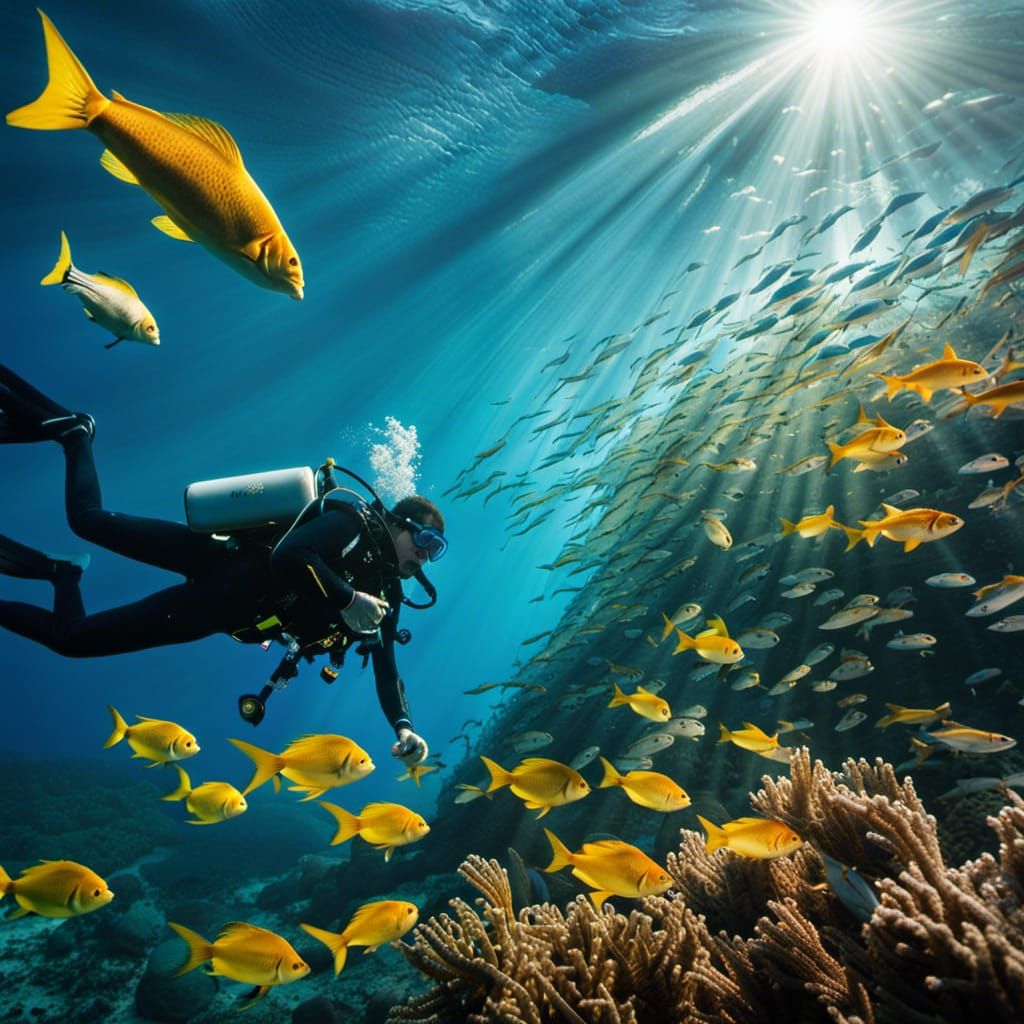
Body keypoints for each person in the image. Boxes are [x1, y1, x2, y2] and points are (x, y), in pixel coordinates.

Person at [0, 363, 445, 766]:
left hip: (220, 611)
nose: (424, 554)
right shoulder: (353, 523)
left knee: (74, 640)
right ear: (393, 522)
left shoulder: (387, 593)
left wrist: (403, 727)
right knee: (87, 522)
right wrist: (347, 598)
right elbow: (288, 555)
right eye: (422, 539)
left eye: (435, 550)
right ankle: (77, 433)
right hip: (221, 563)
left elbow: (387, 667)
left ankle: (63, 573)